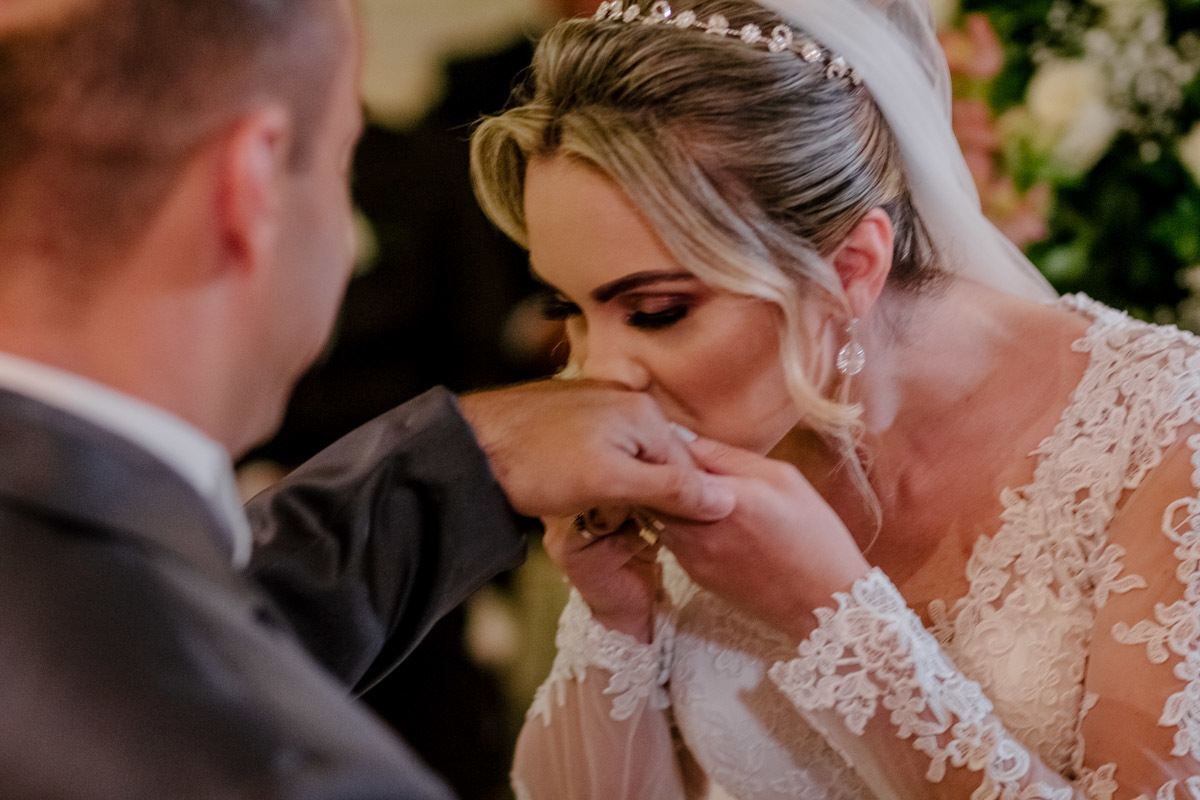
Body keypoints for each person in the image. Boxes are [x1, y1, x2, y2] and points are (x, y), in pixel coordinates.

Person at [0, 1, 739, 798]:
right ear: (252, 184)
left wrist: (465, 458)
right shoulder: (299, 778)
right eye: (341, 160)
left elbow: (129, 633)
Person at [469, 0, 1200, 797]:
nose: (597, 374)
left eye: (657, 312)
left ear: (851, 269)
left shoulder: (1162, 430)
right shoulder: (695, 442)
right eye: (570, 311)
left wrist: (826, 611)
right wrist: (620, 616)